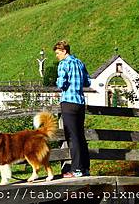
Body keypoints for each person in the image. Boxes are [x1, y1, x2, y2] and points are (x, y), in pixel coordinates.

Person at [54, 40, 91, 178]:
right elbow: (87, 82)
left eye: (58, 53)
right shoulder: (80, 63)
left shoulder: (64, 64)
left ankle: (76, 169)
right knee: (80, 136)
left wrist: (58, 81)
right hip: (80, 103)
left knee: (72, 137)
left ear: (64, 51)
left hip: (68, 102)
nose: (57, 56)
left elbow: (61, 84)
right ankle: (85, 167)